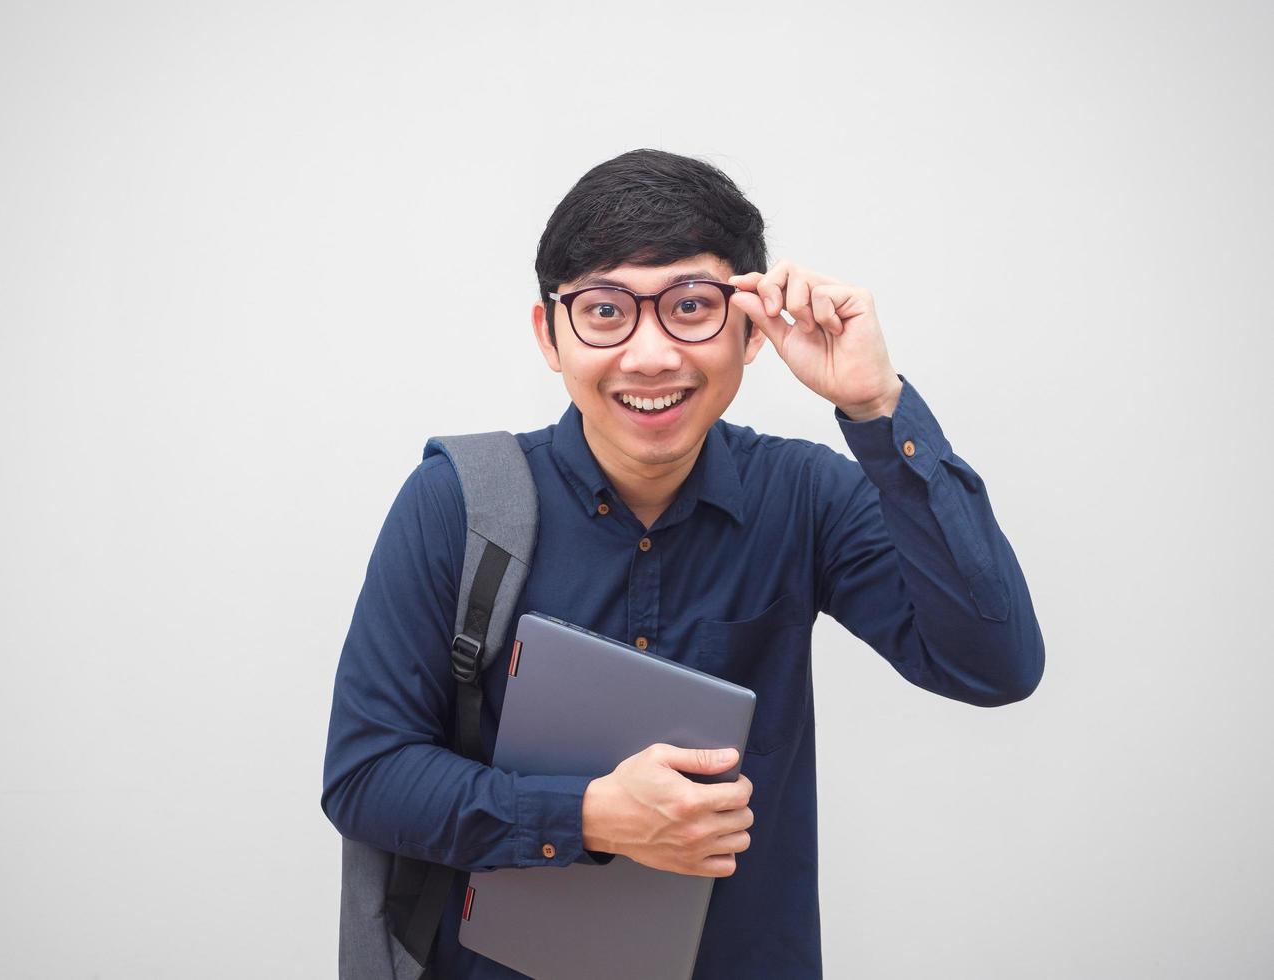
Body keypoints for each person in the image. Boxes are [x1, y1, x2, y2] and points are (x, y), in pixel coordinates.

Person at [321, 148, 1044, 978]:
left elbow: (993, 667)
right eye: (603, 312)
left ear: (750, 328)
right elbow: (366, 777)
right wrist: (589, 815)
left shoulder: (803, 496)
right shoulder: (456, 501)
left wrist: (876, 407)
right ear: (547, 336)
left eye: (691, 307)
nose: (651, 355)